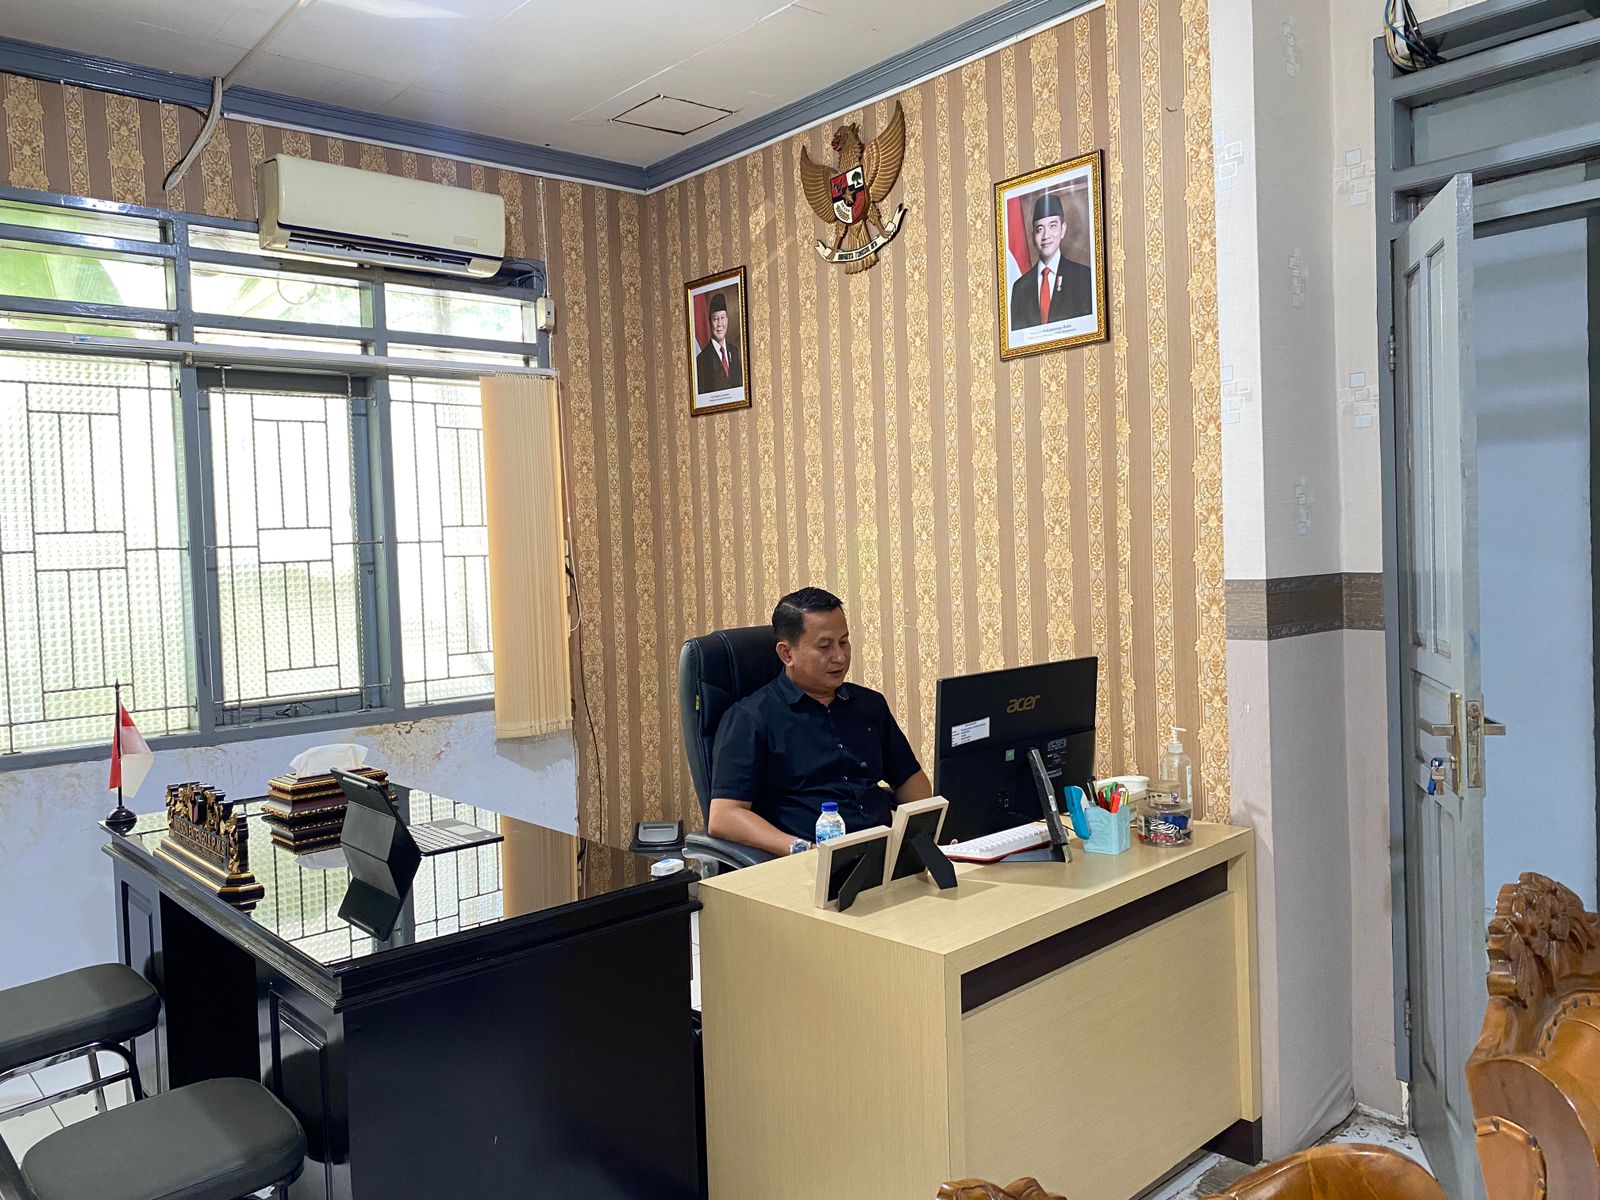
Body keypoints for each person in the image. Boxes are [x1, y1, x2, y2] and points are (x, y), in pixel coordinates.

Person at [706, 587, 934, 857]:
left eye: (844, 642)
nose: (840, 657)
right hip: (810, 863)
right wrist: (802, 849)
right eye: (825, 647)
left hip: (886, 856)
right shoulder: (751, 718)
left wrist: (928, 838)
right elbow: (724, 817)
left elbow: (911, 782)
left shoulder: (869, 705)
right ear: (786, 654)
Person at [1008, 190, 1093, 331]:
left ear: (1063, 229)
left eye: (1052, 226)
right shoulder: (1019, 288)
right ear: (1033, 236)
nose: (1046, 236)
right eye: (1040, 229)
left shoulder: (1084, 277)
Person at [695, 291, 743, 393]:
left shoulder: (734, 351)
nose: (720, 324)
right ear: (709, 322)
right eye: (716, 319)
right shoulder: (701, 359)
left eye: (722, 318)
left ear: (727, 319)